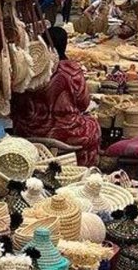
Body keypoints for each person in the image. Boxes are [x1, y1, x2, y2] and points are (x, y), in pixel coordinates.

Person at [8, 26, 100, 166]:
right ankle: (82, 168)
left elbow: (14, 103)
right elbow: (83, 103)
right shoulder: (71, 70)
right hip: (65, 132)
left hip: (26, 129)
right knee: (93, 126)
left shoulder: (28, 69)